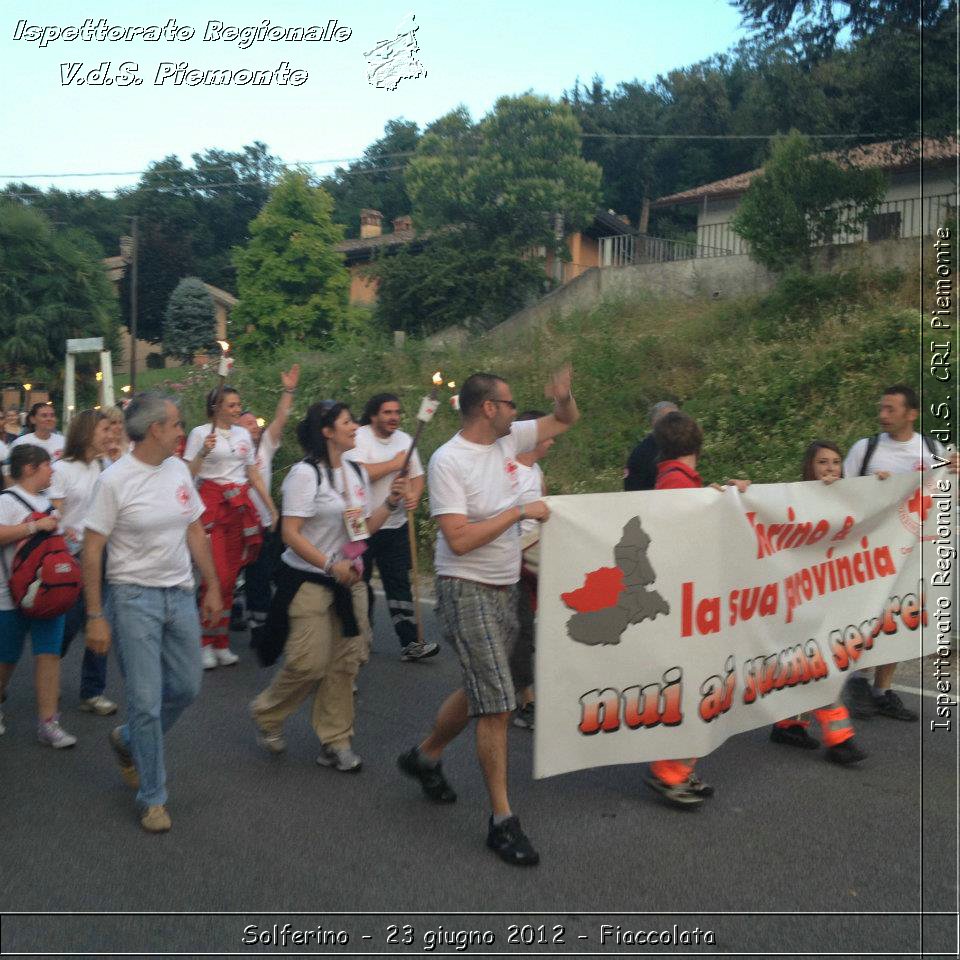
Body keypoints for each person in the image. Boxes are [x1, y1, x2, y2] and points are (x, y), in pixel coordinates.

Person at [397, 367, 579, 867]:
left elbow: (565, 421)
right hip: (465, 586)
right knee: (498, 702)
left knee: (483, 688)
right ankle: (502, 822)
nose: (518, 410)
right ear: (488, 409)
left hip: (505, 586)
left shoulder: (509, 439)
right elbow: (458, 539)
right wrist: (520, 513)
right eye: (511, 402)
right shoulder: (447, 461)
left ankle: (425, 755)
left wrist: (563, 397)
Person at [82, 392, 223, 833]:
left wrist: (213, 584)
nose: (184, 432)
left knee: (185, 687)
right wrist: (94, 615)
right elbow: (92, 549)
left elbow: (195, 528)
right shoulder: (115, 480)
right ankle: (153, 796)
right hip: (131, 599)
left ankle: (127, 740)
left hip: (179, 595)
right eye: (177, 425)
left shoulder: (178, 468)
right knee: (144, 700)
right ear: (154, 429)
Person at [251, 400, 406, 771]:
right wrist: (329, 564)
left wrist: (390, 503)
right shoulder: (305, 476)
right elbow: (290, 534)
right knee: (309, 663)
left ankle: (335, 741)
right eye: (348, 422)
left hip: (347, 580)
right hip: (307, 580)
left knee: (345, 663)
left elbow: (361, 530)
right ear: (327, 432)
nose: (355, 427)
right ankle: (267, 713)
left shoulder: (353, 472)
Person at [645, 410, 749, 807]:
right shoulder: (678, 483)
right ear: (698, 444)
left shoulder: (679, 481)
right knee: (696, 687)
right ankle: (669, 772)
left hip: (688, 599)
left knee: (696, 685)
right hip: (686, 602)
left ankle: (677, 769)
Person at [841, 384, 947, 721]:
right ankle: (858, 678)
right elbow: (841, 494)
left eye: (890, 409)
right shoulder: (866, 450)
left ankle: (882, 689)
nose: (882, 415)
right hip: (870, 553)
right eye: (881, 408)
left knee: (902, 619)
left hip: (915, 550)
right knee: (867, 617)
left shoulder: (933, 450)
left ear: (911, 414)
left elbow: (946, 493)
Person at [769, 441, 868, 764]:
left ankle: (789, 724)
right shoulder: (792, 497)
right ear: (809, 465)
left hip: (830, 599)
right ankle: (839, 740)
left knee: (805, 665)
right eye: (823, 462)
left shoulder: (850, 496)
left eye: (836, 462)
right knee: (822, 666)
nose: (830, 468)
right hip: (798, 599)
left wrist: (886, 483)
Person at [184, 385, 278, 669]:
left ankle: (220, 641)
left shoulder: (242, 436)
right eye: (232, 406)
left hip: (240, 507)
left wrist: (271, 507)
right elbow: (188, 473)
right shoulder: (200, 433)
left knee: (233, 576)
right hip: (213, 505)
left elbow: (252, 473)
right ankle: (203, 642)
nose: (238, 410)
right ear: (216, 408)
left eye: (239, 405)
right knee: (219, 577)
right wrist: (202, 452)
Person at [344, 392, 438, 661]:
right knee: (359, 585)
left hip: (395, 524)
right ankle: (359, 640)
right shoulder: (358, 437)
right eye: (387, 412)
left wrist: (414, 495)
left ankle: (410, 642)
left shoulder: (406, 440)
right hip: (361, 525)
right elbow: (358, 473)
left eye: (397, 412)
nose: (394, 417)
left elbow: (417, 476)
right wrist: (395, 464)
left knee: (399, 583)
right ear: (374, 415)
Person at [0, 444, 76, 747]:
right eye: (47, 465)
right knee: (6, 658)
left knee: (49, 655)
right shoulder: (6, 500)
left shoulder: (48, 502)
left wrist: (62, 534)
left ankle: (49, 723)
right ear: (30, 468)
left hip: (46, 594)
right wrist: (34, 526)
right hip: (9, 595)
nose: (52, 471)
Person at [49, 409, 117, 716]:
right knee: (67, 626)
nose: (110, 435)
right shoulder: (62, 469)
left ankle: (93, 691)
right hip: (71, 557)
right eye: (105, 429)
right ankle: (46, 672)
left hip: (104, 555)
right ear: (87, 432)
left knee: (100, 619)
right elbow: (54, 514)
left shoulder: (107, 467)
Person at [235, 364, 299, 630]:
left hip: (260, 522)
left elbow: (280, 418)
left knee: (259, 573)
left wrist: (289, 390)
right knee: (226, 574)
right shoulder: (228, 451)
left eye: (254, 423)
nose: (254, 426)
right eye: (247, 423)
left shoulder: (265, 448)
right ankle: (221, 612)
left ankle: (258, 621)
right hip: (233, 521)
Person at [508, 409, 555, 731]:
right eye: (548, 435)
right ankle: (525, 697)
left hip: (536, 556)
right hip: (512, 559)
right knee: (523, 630)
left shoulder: (536, 471)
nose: (552, 442)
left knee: (533, 629)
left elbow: (545, 510)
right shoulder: (505, 470)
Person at [624, 401, 678, 491]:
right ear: (655, 422)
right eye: (671, 420)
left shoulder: (679, 447)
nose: (678, 424)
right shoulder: (642, 452)